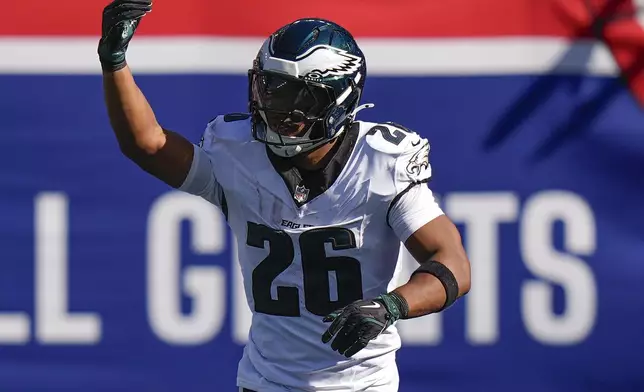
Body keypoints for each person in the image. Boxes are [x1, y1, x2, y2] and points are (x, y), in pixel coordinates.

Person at [98, 1, 471, 391]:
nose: (276, 107)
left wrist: (391, 306)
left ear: (337, 100)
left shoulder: (379, 163)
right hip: (266, 383)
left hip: (362, 385)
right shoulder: (237, 153)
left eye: (298, 95)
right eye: (270, 88)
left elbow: (453, 264)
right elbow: (148, 145)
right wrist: (114, 61)